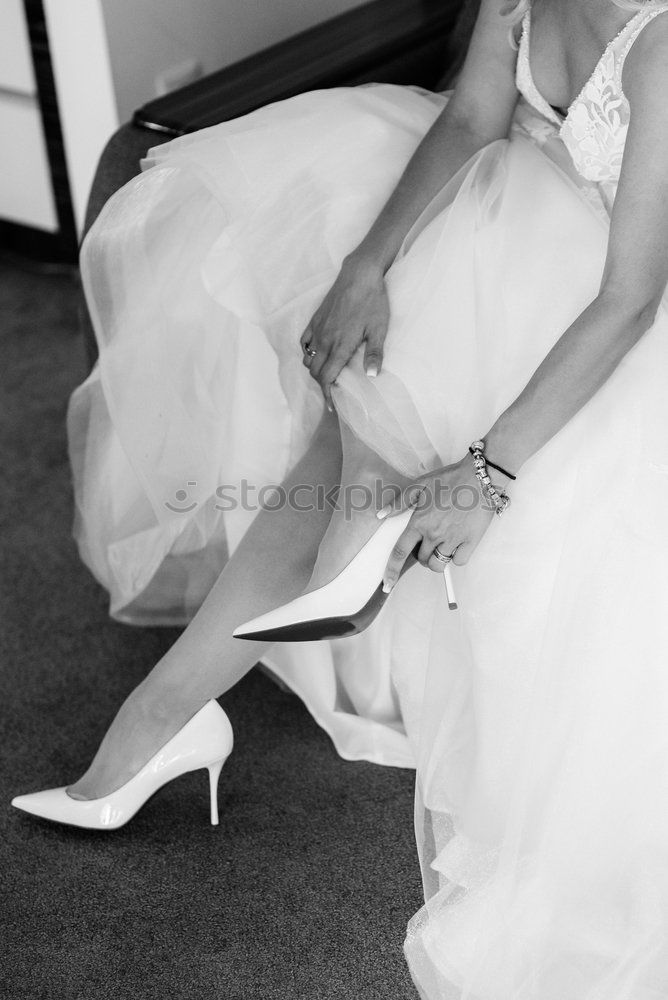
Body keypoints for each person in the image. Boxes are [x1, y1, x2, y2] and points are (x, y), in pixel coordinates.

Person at [12, 0, 668, 995]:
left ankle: (170, 716)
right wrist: (367, 266)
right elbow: (465, 121)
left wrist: (486, 471)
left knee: (431, 372)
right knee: (379, 335)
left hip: (627, 295)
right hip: (523, 224)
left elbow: (628, 294)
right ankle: (173, 707)